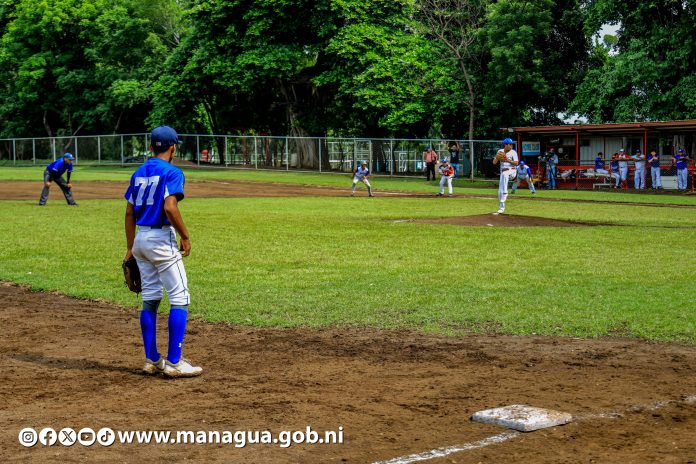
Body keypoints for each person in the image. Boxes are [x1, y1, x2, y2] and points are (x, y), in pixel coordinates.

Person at [123, 125, 202, 378]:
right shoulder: (173, 172)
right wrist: (186, 236)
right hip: (160, 239)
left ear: (150, 147)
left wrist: (129, 248)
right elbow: (170, 207)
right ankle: (175, 363)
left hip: (141, 240)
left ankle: (152, 360)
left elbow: (128, 212)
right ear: (173, 147)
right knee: (180, 296)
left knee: (151, 297)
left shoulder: (138, 173)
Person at [492, 138, 519, 214]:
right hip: (503, 173)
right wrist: (497, 158)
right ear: (505, 145)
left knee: (505, 174)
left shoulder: (513, 152)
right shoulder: (500, 151)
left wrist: (508, 160)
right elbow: (494, 162)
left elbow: (517, 163)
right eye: (510, 144)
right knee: (499, 191)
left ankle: (505, 192)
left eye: (511, 144)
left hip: (512, 171)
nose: (511, 145)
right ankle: (501, 208)